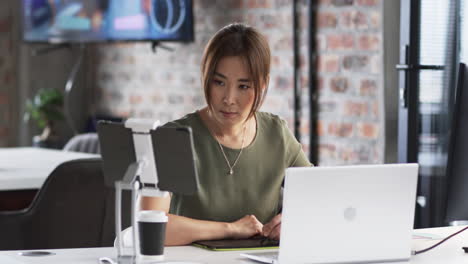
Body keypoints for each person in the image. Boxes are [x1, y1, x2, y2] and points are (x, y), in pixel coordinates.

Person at [142, 23, 311, 246]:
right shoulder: (174, 137)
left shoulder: (277, 134)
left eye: (243, 86)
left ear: (263, 84)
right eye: (219, 82)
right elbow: (149, 227)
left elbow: (317, 201)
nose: (229, 98)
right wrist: (230, 229)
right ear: (206, 77)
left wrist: (291, 221)